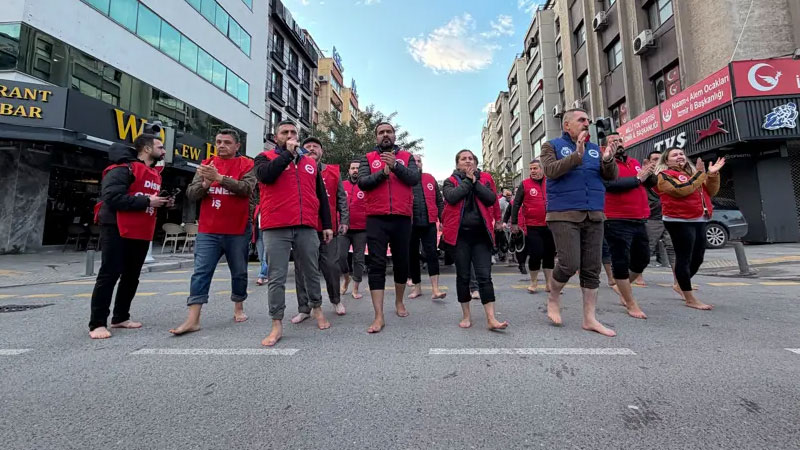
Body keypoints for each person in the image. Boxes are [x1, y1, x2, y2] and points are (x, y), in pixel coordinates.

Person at [539, 108, 618, 337]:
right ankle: (553, 297)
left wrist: (608, 159)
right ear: (567, 125)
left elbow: (610, 177)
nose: (586, 123)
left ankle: (589, 318)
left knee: (592, 268)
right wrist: (577, 155)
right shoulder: (551, 146)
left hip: (594, 213)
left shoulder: (596, 149)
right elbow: (551, 171)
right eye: (581, 120)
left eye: (588, 120)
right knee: (569, 263)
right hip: (563, 214)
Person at [254, 120, 334, 346]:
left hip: (306, 225)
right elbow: (266, 176)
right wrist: (287, 156)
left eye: (293, 132)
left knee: (311, 271)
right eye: (284, 132)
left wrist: (326, 224)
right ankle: (276, 323)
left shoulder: (310, 163)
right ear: (275, 136)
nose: (289, 135)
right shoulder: (264, 158)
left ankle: (317, 309)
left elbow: (321, 195)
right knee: (276, 276)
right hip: (275, 225)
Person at [170, 129, 255, 335]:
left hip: (237, 229)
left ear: (237, 146)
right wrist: (206, 183)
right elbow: (191, 194)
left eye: (227, 142)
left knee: (239, 271)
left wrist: (220, 178)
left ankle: (238, 306)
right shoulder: (206, 165)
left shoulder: (247, 164)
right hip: (209, 229)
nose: (221, 145)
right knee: (201, 272)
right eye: (218, 141)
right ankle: (193, 318)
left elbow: (247, 188)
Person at [89, 136, 170, 339]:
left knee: (131, 276)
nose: (164, 151)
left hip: (141, 229)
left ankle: (120, 317)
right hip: (118, 227)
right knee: (109, 274)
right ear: (146, 148)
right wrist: (146, 201)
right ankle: (97, 323)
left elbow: (146, 199)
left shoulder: (154, 173)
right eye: (160, 147)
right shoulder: (123, 169)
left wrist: (161, 202)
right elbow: (112, 197)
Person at [358, 122, 420, 333]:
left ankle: (399, 302)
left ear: (394, 135)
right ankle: (378, 315)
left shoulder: (407, 157)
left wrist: (395, 166)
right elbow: (363, 182)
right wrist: (383, 173)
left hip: (402, 218)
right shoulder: (367, 158)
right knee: (376, 265)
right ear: (376, 137)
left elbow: (414, 179)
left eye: (389, 132)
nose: (385, 135)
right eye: (381, 132)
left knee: (402, 263)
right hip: (376, 218)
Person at [442, 150, 508, 330]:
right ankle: (466, 315)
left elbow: (490, 199)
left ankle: (491, 318)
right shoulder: (450, 182)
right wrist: (467, 180)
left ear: (476, 162)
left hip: (481, 236)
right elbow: (452, 197)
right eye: (463, 159)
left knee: (485, 277)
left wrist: (475, 181)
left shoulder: (484, 179)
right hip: (459, 237)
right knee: (463, 276)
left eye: (470, 158)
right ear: (457, 164)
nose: (467, 161)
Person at [654, 147, 725, 310]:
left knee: (698, 257)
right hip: (678, 219)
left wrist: (712, 174)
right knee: (684, 257)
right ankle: (689, 298)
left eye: (681, 154)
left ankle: (681, 284)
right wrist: (700, 175)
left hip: (699, 218)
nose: (679, 156)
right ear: (666, 161)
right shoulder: (664, 175)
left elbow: (711, 191)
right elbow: (681, 190)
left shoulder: (692, 174)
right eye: (674, 155)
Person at [293, 137, 349, 321]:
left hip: (328, 227)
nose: (311, 149)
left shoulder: (333, 171)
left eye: (315, 147)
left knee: (331, 265)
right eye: (307, 147)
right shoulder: (295, 168)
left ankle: (335, 300)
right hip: (303, 225)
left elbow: (341, 198)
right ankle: (304, 308)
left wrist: (344, 220)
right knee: (302, 269)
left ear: (321, 151)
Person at [601, 132, 655, 320]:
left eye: (620, 140)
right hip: (616, 218)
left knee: (643, 259)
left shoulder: (634, 162)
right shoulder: (604, 162)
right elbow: (609, 184)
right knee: (620, 260)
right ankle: (631, 303)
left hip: (639, 217)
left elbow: (649, 184)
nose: (618, 143)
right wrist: (638, 179)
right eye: (612, 141)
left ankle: (622, 288)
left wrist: (650, 171)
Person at [510, 159, 555, 294]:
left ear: (542, 169)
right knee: (536, 254)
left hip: (550, 224)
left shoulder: (551, 182)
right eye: (531, 169)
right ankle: (534, 282)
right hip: (532, 225)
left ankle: (549, 284)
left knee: (549, 255)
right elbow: (516, 204)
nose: (533, 171)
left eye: (535, 168)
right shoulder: (525, 184)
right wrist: (514, 223)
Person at [408, 154, 446, 300]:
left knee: (432, 254)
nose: (417, 163)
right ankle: (417, 288)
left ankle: (435, 289)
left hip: (429, 223)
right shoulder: (405, 180)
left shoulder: (430, 178)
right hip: (411, 224)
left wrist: (442, 219)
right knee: (412, 256)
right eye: (414, 161)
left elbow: (439, 201)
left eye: (419, 161)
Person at [340, 159, 367, 299]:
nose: (355, 170)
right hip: (343, 228)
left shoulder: (366, 185)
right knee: (340, 256)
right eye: (353, 168)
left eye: (357, 168)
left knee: (359, 259)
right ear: (349, 171)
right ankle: (346, 278)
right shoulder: (342, 185)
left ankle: (355, 289)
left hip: (362, 229)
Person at [251, 185, 269, 286]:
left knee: (265, 255)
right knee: (261, 255)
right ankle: (266, 274)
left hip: (267, 230)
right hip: (258, 231)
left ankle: (262, 275)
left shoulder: (268, 203)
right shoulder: (256, 205)